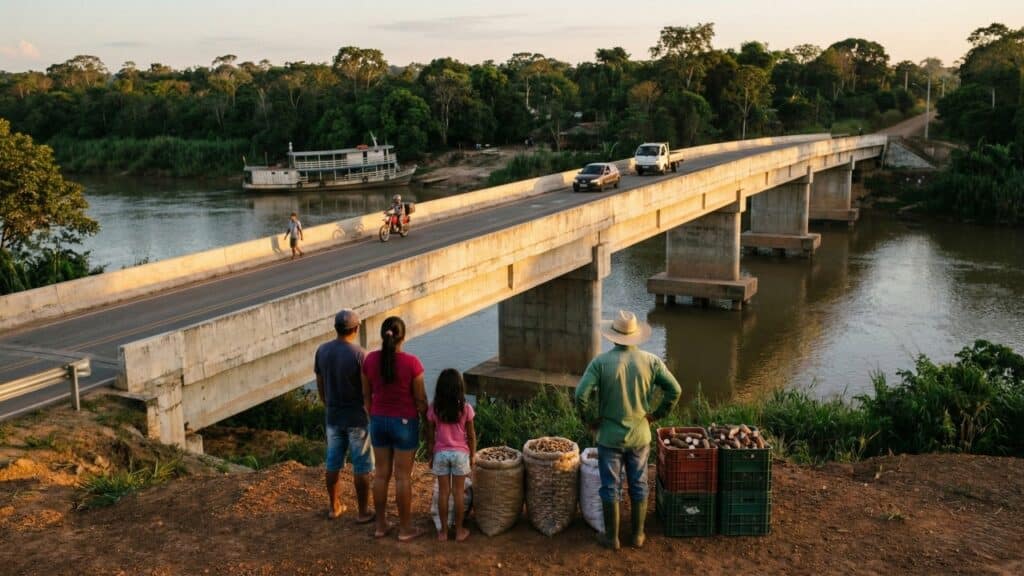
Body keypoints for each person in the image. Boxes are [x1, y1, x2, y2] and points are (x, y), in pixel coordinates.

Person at [574, 310, 681, 550]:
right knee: (639, 483)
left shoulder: (600, 363)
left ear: (613, 336)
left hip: (609, 437)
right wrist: (657, 414)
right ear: (635, 336)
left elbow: (580, 394)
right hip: (639, 435)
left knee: (610, 487)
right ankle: (638, 535)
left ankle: (612, 538)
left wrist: (589, 419)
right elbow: (675, 390)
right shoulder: (651, 361)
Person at [361, 316, 427, 542]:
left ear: (383, 335)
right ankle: (405, 529)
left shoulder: (369, 360)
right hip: (404, 423)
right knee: (402, 477)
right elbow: (420, 399)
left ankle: (380, 526)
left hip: (378, 421)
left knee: (381, 474)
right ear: (403, 335)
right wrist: (426, 418)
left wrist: (375, 415)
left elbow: (366, 397)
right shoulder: (412, 363)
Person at [314, 308, 374, 523]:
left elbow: (320, 382)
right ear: (356, 329)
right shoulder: (361, 355)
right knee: (361, 466)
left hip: (333, 416)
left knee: (333, 463)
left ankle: (334, 507)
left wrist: (326, 403)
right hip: (357, 417)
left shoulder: (322, 351)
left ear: (336, 328)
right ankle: (363, 511)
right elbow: (367, 390)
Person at [425, 368, 476, 543]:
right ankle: (460, 530)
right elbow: (471, 435)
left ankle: (444, 532)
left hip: (440, 454)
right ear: (460, 388)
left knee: (444, 493)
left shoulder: (435, 409)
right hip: (460, 455)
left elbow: (430, 436)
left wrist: (430, 455)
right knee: (459, 493)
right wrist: (473, 455)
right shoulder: (466, 409)